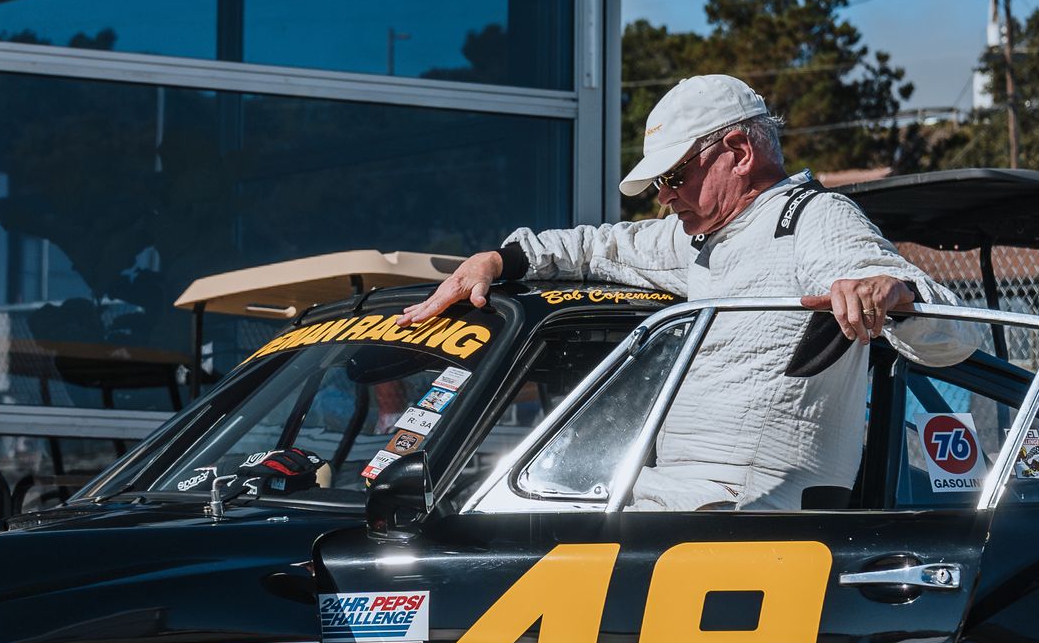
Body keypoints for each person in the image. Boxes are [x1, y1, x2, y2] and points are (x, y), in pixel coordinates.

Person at [402, 74, 975, 511]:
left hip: (756, 515)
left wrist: (891, 292)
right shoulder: (698, 235)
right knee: (496, 516)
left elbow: (955, 334)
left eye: (674, 176)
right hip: (667, 499)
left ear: (739, 152)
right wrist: (498, 260)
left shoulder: (815, 218)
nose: (663, 196)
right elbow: (600, 247)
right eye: (659, 181)